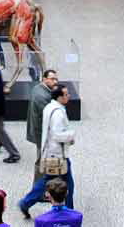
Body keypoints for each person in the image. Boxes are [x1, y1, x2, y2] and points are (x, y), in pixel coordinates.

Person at [19, 84, 76, 218]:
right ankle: (69, 212)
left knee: (46, 181)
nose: (69, 96)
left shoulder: (49, 107)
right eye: (66, 94)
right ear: (60, 97)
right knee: (68, 185)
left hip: (50, 152)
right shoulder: (58, 113)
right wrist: (71, 135)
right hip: (58, 155)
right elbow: (56, 134)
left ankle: (26, 203)